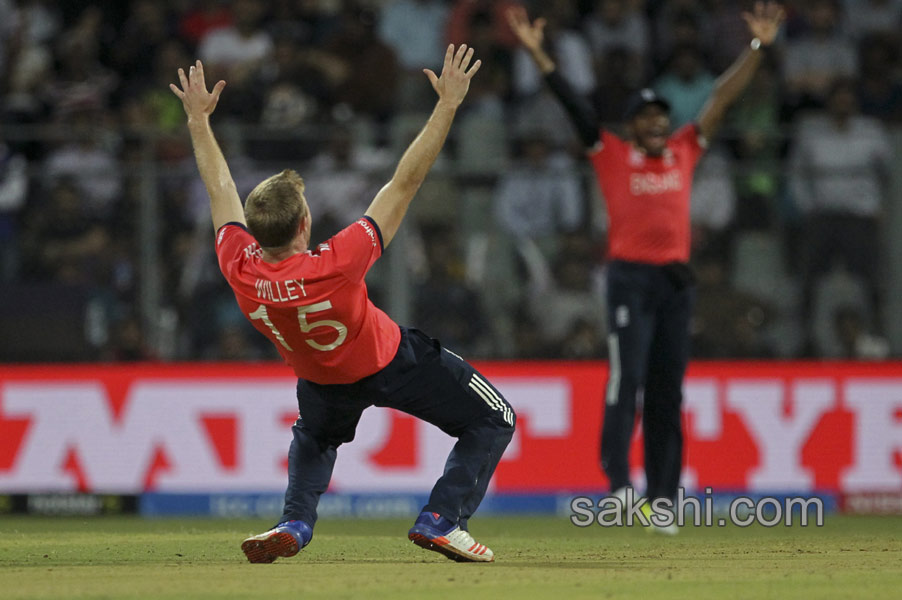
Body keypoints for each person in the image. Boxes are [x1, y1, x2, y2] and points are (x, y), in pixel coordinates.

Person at [169, 48, 513, 564]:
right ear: (303, 224)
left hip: (322, 380)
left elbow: (219, 187)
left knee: (314, 439)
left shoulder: (238, 266)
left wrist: (198, 120)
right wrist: (447, 106)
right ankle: (443, 519)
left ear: (253, 231)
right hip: (392, 361)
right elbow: (405, 182)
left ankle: (295, 521)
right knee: (494, 418)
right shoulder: (337, 262)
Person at [508, 2, 783, 532]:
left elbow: (722, 96)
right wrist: (541, 55)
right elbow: (575, 108)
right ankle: (617, 488)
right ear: (633, 126)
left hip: (675, 282)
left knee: (667, 391)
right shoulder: (610, 153)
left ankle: (663, 498)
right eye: (647, 118)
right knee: (626, 381)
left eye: (662, 116)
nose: (658, 124)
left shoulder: (684, 149)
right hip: (629, 280)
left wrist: (757, 47)